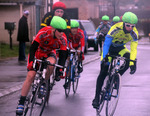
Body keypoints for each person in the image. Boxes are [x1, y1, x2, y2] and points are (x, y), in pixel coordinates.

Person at [16, 16, 68, 115]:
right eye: (60, 31)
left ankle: (43, 83)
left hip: (49, 53)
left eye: (63, 31)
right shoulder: (43, 32)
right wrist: (31, 62)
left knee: (51, 63)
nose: (62, 33)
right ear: (53, 29)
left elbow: (63, 54)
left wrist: (60, 71)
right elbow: (32, 48)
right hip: (37, 52)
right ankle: (21, 102)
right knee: (31, 76)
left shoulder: (63, 38)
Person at [92, 11, 138, 109]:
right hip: (109, 49)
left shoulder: (134, 33)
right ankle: (96, 97)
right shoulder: (114, 28)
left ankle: (117, 77)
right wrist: (104, 59)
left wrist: (132, 63)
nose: (130, 28)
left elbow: (134, 49)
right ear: (124, 23)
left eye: (132, 26)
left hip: (120, 48)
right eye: (128, 25)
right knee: (103, 71)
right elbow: (106, 44)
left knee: (129, 58)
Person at [40, 1, 70, 81]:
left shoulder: (66, 18)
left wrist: (63, 42)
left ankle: (59, 70)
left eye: (61, 12)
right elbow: (42, 28)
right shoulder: (48, 16)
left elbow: (67, 32)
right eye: (57, 11)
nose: (59, 14)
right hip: (48, 37)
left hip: (60, 38)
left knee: (65, 51)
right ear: (54, 12)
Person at [63, 20, 85, 89]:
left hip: (78, 45)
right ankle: (67, 81)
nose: (74, 30)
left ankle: (79, 64)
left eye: (76, 28)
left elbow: (83, 43)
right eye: (72, 28)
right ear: (70, 28)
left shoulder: (80, 33)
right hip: (71, 45)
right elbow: (66, 42)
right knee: (69, 62)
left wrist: (81, 52)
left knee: (79, 52)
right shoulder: (68, 33)